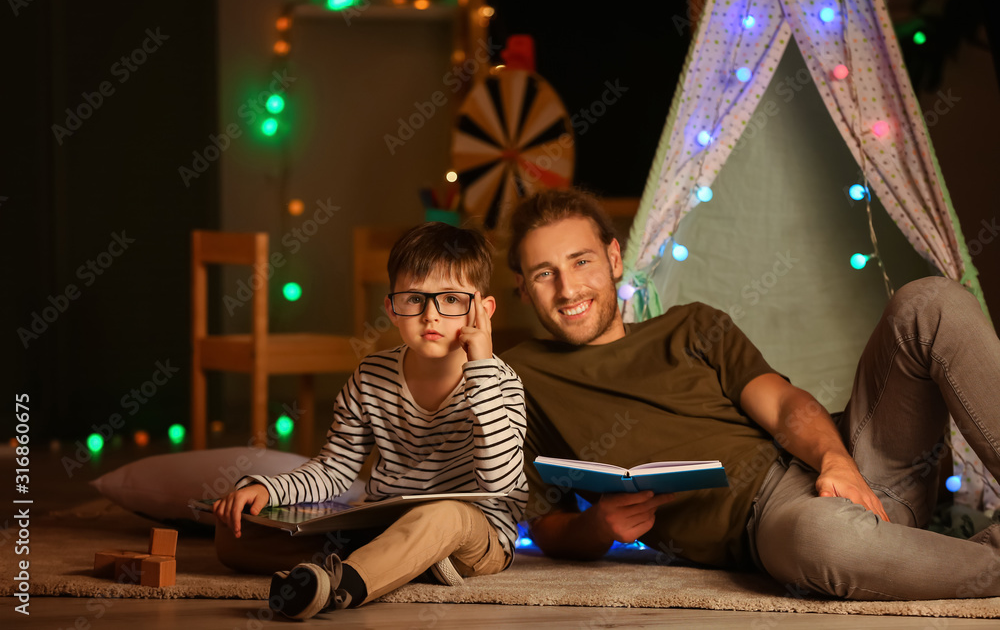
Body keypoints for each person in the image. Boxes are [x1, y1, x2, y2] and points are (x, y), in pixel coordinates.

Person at [501, 188, 1000, 601]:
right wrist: (601, 526)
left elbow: (784, 407)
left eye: (580, 261)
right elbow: (548, 523)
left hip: (853, 456)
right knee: (823, 539)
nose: (568, 289)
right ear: (523, 288)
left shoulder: (691, 324)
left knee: (928, 302)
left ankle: (900, 544)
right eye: (545, 273)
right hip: (776, 520)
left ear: (612, 258)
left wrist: (837, 461)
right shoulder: (523, 377)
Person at [213, 222, 528, 619]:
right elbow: (335, 470)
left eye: (451, 299)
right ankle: (395, 564)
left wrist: (479, 366)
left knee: (444, 513)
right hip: (385, 524)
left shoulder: (500, 382)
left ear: (483, 310)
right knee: (233, 536)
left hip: (473, 534)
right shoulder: (370, 376)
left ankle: (340, 586)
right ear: (392, 308)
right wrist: (268, 490)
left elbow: (501, 484)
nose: (431, 315)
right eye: (414, 299)